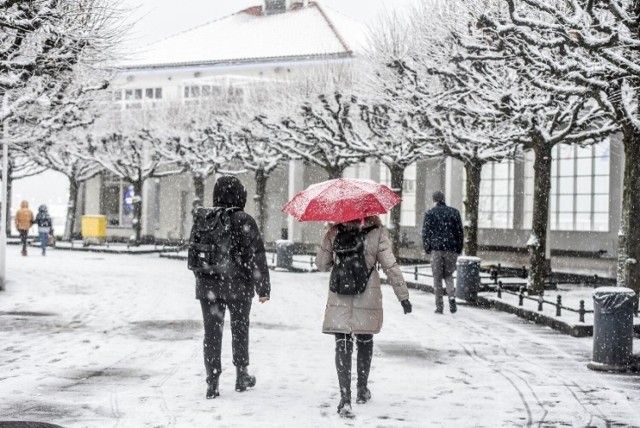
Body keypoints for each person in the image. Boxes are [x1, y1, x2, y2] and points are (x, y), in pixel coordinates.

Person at [316, 216, 412, 418]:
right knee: (365, 340)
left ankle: (344, 397)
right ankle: (362, 389)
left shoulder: (334, 231)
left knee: (342, 342)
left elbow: (322, 265)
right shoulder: (377, 233)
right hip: (367, 293)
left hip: (340, 294)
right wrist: (403, 296)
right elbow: (390, 266)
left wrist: (335, 253)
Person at [190, 176, 270, 400]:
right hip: (239, 286)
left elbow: (195, 251)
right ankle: (241, 375)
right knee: (240, 329)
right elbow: (257, 256)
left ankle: (212, 382)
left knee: (211, 334)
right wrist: (263, 287)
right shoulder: (245, 220)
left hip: (208, 285)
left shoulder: (205, 219)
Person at [422, 191, 464, 314]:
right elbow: (460, 232)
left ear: (434, 200)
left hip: (436, 250)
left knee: (437, 278)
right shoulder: (454, 213)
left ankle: (439, 306)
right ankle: (451, 296)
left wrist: (427, 247)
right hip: (451, 249)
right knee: (448, 275)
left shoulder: (430, 213)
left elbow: (425, 233)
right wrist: (458, 248)